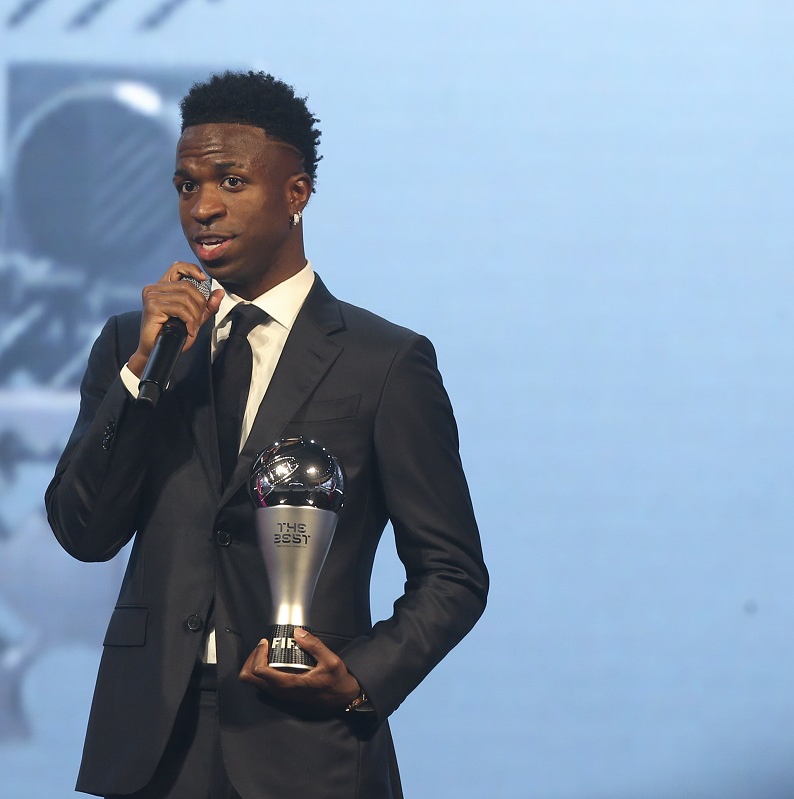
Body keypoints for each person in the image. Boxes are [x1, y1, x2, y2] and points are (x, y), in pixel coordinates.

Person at [45, 70, 488, 799]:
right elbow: (83, 530)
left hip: (307, 746)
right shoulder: (139, 343)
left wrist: (360, 676)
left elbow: (454, 573)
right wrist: (140, 378)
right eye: (186, 185)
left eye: (231, 180)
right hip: (153, 746)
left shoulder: (385, 363)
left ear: (296, 193)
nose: (204, 207)